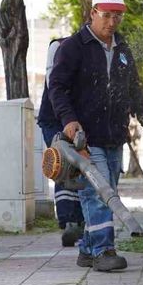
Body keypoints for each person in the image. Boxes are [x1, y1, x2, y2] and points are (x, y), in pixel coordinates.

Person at [48, 0, 143, 272]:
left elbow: (133, 87)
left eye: (117, 17)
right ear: (93, 13)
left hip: (113, 135)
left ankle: (87, 249)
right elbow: (57, 87)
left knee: (108, 191)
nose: (112, 22)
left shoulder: (121, 49)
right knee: (98, 193)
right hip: (85, 136)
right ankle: (103, 251)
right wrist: (69, 121)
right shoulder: (73, 47)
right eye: (106, 15)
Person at [37, 38, 84, 247]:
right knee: (63, 166)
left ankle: (79, 221)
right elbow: (53, 84)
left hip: (78, 119)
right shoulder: (58, 47)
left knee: (81, 167)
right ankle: (68, 221)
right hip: (55, 119)